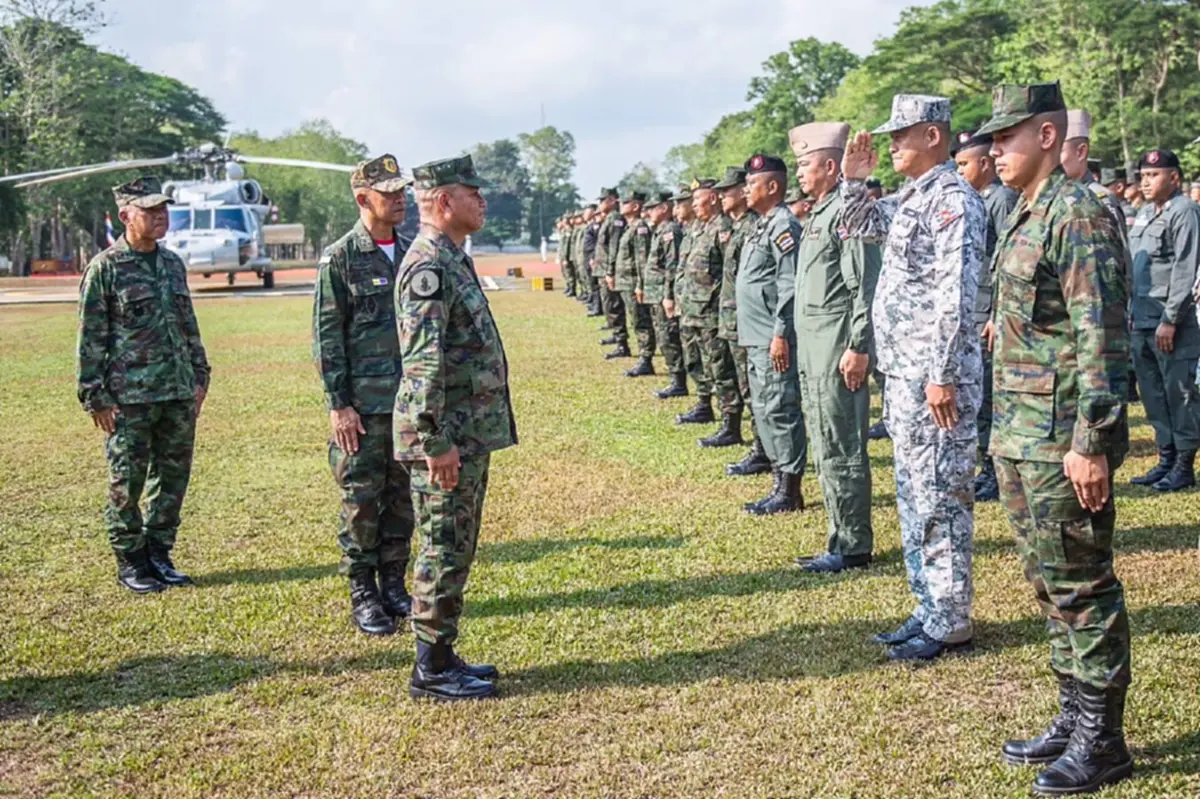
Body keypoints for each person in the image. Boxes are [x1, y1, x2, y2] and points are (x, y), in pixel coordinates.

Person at [979, 81, 1134, 797]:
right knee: (1047, 583)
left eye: (1005, 137)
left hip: (1061, 439)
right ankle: (1073, 717)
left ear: (1046, 135)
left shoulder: (1077, 214)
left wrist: (1093, 440)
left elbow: (1099, 335)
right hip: (1020, 431)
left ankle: (1103, 741)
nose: (992, 150)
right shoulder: (1025, 211)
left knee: (1082, 583)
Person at [841, 94, 986, 662]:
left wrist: (943, 373)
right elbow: (856, 226)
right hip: (905, 376)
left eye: (901, 135)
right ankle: (928, 606)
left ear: (933, 135)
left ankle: (951, 621)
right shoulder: (913, 198)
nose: (893, 144)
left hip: (935, 380)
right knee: (914, 493)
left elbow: (956, 294)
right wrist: (854, 181)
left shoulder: (953, 200)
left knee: (942, 496)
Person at [394, 154, 517, 701]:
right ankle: (431, 670)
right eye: (473, 192)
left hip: (464, 433)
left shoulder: (450, 258)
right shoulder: (428, 265)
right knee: (442, 546)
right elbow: (422, 365)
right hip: (444, 439)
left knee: (457, 544)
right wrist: (436, 440)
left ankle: (444, 653)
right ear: (444, 201)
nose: (482, 200)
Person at [77, 176, 211, 593]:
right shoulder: (106, 268)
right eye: (150, 211)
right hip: (128, 397)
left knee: (172, 480)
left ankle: (159, 553)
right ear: (125, 216)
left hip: (177, 391)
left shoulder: (172, 264)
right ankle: (131, 561)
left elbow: (187, 324)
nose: (160, 217)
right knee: (127, 482)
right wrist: (94, 395)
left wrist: (200, 375)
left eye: (163, 210)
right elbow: (91, 337)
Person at [313, 154, 415, 636]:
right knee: (361, 500)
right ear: (362, 199)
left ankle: (394, 583)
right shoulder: (342, 257)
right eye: (389, 193)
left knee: (403, 499)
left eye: (402, 192)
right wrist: (339, 405)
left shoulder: (415, 251)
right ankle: (363, 592)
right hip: (364, 406)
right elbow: (327, 337)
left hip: (409, 403)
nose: (400, 200)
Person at [788, 122, 882, 566]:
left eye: (804, 164)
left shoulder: (846, 212)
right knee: (825, 442)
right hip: (814, 346)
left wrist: (859, 344)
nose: (799, 173)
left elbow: (864, 284)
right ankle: (838, 537)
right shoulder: (819, 212)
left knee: (842, 443)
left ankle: (853, 545)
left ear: (830, 166)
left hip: (836, 344)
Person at [736, 154, 808, 515]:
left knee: (780, 409)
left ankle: (790, 490)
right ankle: (780, 482)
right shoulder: (761, 224)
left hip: (772, 336)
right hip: (757, 335)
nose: (746, 189)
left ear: (773, 187)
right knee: (766, 408)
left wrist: (781, 333)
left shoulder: (783, 225)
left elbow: (789, 285)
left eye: (752, 183)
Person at [952, 130, 1021, 503]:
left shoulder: (1002, 199)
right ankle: (987, 467)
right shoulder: (977, 199)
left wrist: (996, 311)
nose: (959, 170)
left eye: (963, 164)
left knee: (993, 398)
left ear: (983, 163)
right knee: (979, 398)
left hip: (990, 313)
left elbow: (1006, 262)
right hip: (974, 311)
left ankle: (998, 472)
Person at [1128, 149, 1200, 491]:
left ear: (1174, 178)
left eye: (1153, 174)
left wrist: (1171, 318)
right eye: (1142, 174)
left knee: (1178, 393)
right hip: (1141, 319)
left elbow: (1185, 269)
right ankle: (1166, 458)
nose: (1145, 180)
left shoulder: (1185, 212)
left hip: (1171, 323)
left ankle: (1184, 466)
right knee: (1153, 394)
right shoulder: (1144, 213)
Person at [677, 179, 742, 443]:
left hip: (714, 314)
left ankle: (731, 425)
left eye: (697, 200)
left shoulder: (723, 228)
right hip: (694, 310)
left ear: (713, 198)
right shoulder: (701, 228)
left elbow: (731, 273)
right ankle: (706, 406)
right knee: (702, 364)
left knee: (721, 370)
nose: (693, 205)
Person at [712, 166, 759, 450]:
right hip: (730, 318)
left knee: (751, 386)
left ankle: (762, 448)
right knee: (729, 376)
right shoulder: (735, 227)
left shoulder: (752, 226)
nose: (721, 196)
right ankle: (731, 428)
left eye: (726, 191)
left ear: (743, 191)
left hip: (746, 321)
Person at [643, 191, 688, 399]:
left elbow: (672, 265)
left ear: (663, 208)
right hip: (656, 292)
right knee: (663, 335)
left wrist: (668, 295)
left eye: (652, 208)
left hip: (663, 293)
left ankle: (678, 382)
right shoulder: (660, 230)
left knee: (669, 337)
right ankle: (675, 378)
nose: (648, 212)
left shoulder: (670, 230)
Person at [1061, 110, 1128, 241]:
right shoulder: (1054, 195)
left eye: (1059, 151)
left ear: (1081, 152)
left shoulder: (1100, 199)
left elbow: (1119, 256)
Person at [612, 190, 657, 376]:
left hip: (632, 282)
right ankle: (643, 356)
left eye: (626, 202)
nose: (621, 205)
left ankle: (646, 359)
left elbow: (642, 259)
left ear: (636, 206)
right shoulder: (629, 227)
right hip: (625, 282)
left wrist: (641, 284)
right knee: (635, 321)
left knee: (641, 322)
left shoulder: (640, 228)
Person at [594, 189, 625, 342]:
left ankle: (621, 342)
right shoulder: (608, 219)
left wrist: (610, 272)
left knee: (614, 305)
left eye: (603, 200)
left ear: (612, 200)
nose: (599, 204)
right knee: (608, 305)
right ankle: (616, 335)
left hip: (608, 269)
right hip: (603, 269)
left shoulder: (615, 220)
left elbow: (614, 248)